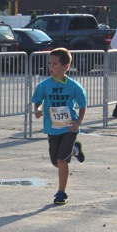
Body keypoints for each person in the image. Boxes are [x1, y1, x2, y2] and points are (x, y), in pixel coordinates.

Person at [32, 48, 87, 205]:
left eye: (55, 64)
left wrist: (78, 123)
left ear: (65, 67)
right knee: (56, 162)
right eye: (49, 63)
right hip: (52, 128)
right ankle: (75, 150)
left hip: (69, 128)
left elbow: (83, 105)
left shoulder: (74, 86)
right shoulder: (44, 85)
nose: (51, 67)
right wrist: (37, 110)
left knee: (62, 161)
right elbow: (38, 101)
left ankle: (61, 192)